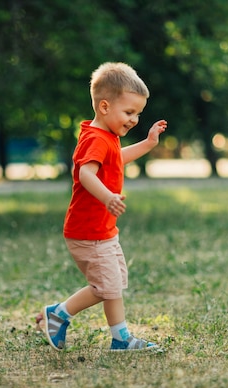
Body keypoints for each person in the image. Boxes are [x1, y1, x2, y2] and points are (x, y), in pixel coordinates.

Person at [42, 62, 167, 352]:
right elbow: (86, 174)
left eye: (138, 114)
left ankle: (120, 338)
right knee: (105, 287)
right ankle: (59, 314)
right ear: (105, 106)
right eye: (129, 112)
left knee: (114, 283)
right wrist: (107, 197)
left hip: (102, 230)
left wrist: (148, 143)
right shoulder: (95, 139)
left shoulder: (106, 137)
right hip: (88, 232)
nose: (134, 119)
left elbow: (118, 158)